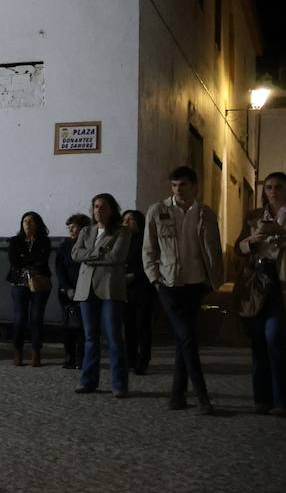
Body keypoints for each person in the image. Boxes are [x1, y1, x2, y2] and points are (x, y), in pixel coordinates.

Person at [144, 166, 223, 414]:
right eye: (175, 185)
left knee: (183, 339)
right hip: (168, 283)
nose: (179, 190)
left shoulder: (205, 214)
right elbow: (149, 248)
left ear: (194, 186)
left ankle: (177, 396)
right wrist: (155, 279)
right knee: (188, 337)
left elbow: (214, 249)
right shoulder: (158, 211)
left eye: (184, 185)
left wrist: (214, 281)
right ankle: (202, 396)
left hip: (196, 283)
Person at [234, 171, 286, 415]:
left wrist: (281, 231)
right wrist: (252, 239)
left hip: (281, 282)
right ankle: (261, 398)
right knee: (258, 342)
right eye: (269, 187)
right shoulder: (254, 216)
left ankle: (281, 400)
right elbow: (239, 248)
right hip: (256, 281)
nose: (273, 192)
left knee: (275, 338)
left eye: (278, 187)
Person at [72, 193, 130, 397]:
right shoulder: (86, 231)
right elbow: (75, 254)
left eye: (103, 206)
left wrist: (89, 257)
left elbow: (116, 257)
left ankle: (119, 383)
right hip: (86, 289)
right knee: (90, 338)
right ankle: (88, 381)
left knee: (114, 337)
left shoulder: (122, 232)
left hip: (109, 289)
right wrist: (99, 254)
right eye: (95, 206)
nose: (99, 210)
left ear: (112, 209)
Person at [6, 212, 53, 367]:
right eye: (25, 221)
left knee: (36, 318)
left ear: (37, 224)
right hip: (19, 282)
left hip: (39, 282)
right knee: (20, 318)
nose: (27, 224)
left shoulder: (44, 241)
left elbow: (42, 260)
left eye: (31, 221)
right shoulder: (15, 241)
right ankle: (17, 351)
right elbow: (14, 261)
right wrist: (29, 266)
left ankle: (36, 352)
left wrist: (28, 264)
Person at [55, 214, 91, 369]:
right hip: (67, 290)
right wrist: (67, 288)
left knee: (82, 327)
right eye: (69, 226)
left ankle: (81, 358)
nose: (70, 229)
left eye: (74, 226)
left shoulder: (89, 245)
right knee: (68, 326)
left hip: (85, 289)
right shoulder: (65, 245)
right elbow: (59, 267)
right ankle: (68, 356)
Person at [121, 210, 154, 375]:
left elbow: (150, 262)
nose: (127, 222)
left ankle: (143, 360)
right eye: (124, 219)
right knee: (129, 326)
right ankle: (130, 358)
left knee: (143, 326)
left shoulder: (145, 240)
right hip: (125, 289)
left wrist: (134, 275)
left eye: (131, 219)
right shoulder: (122, 240)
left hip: (142, 288)